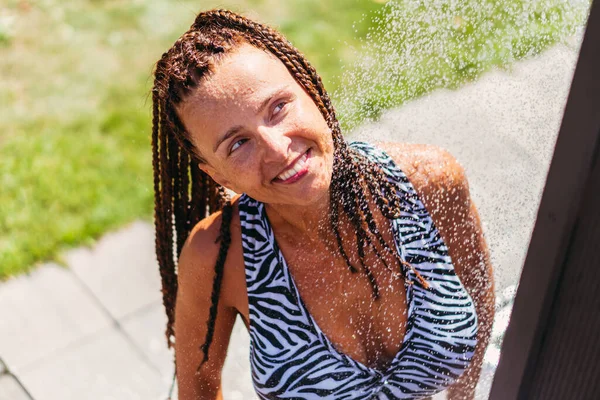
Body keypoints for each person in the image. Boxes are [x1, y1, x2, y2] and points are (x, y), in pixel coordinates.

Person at [151, 9, 495, 400]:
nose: (279, 150)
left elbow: (479, 297)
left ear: (309, 90)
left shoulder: (432, 181)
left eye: (278, 107)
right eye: (238, 144)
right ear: (218, 175)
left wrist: (463, 396)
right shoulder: (218, 258)